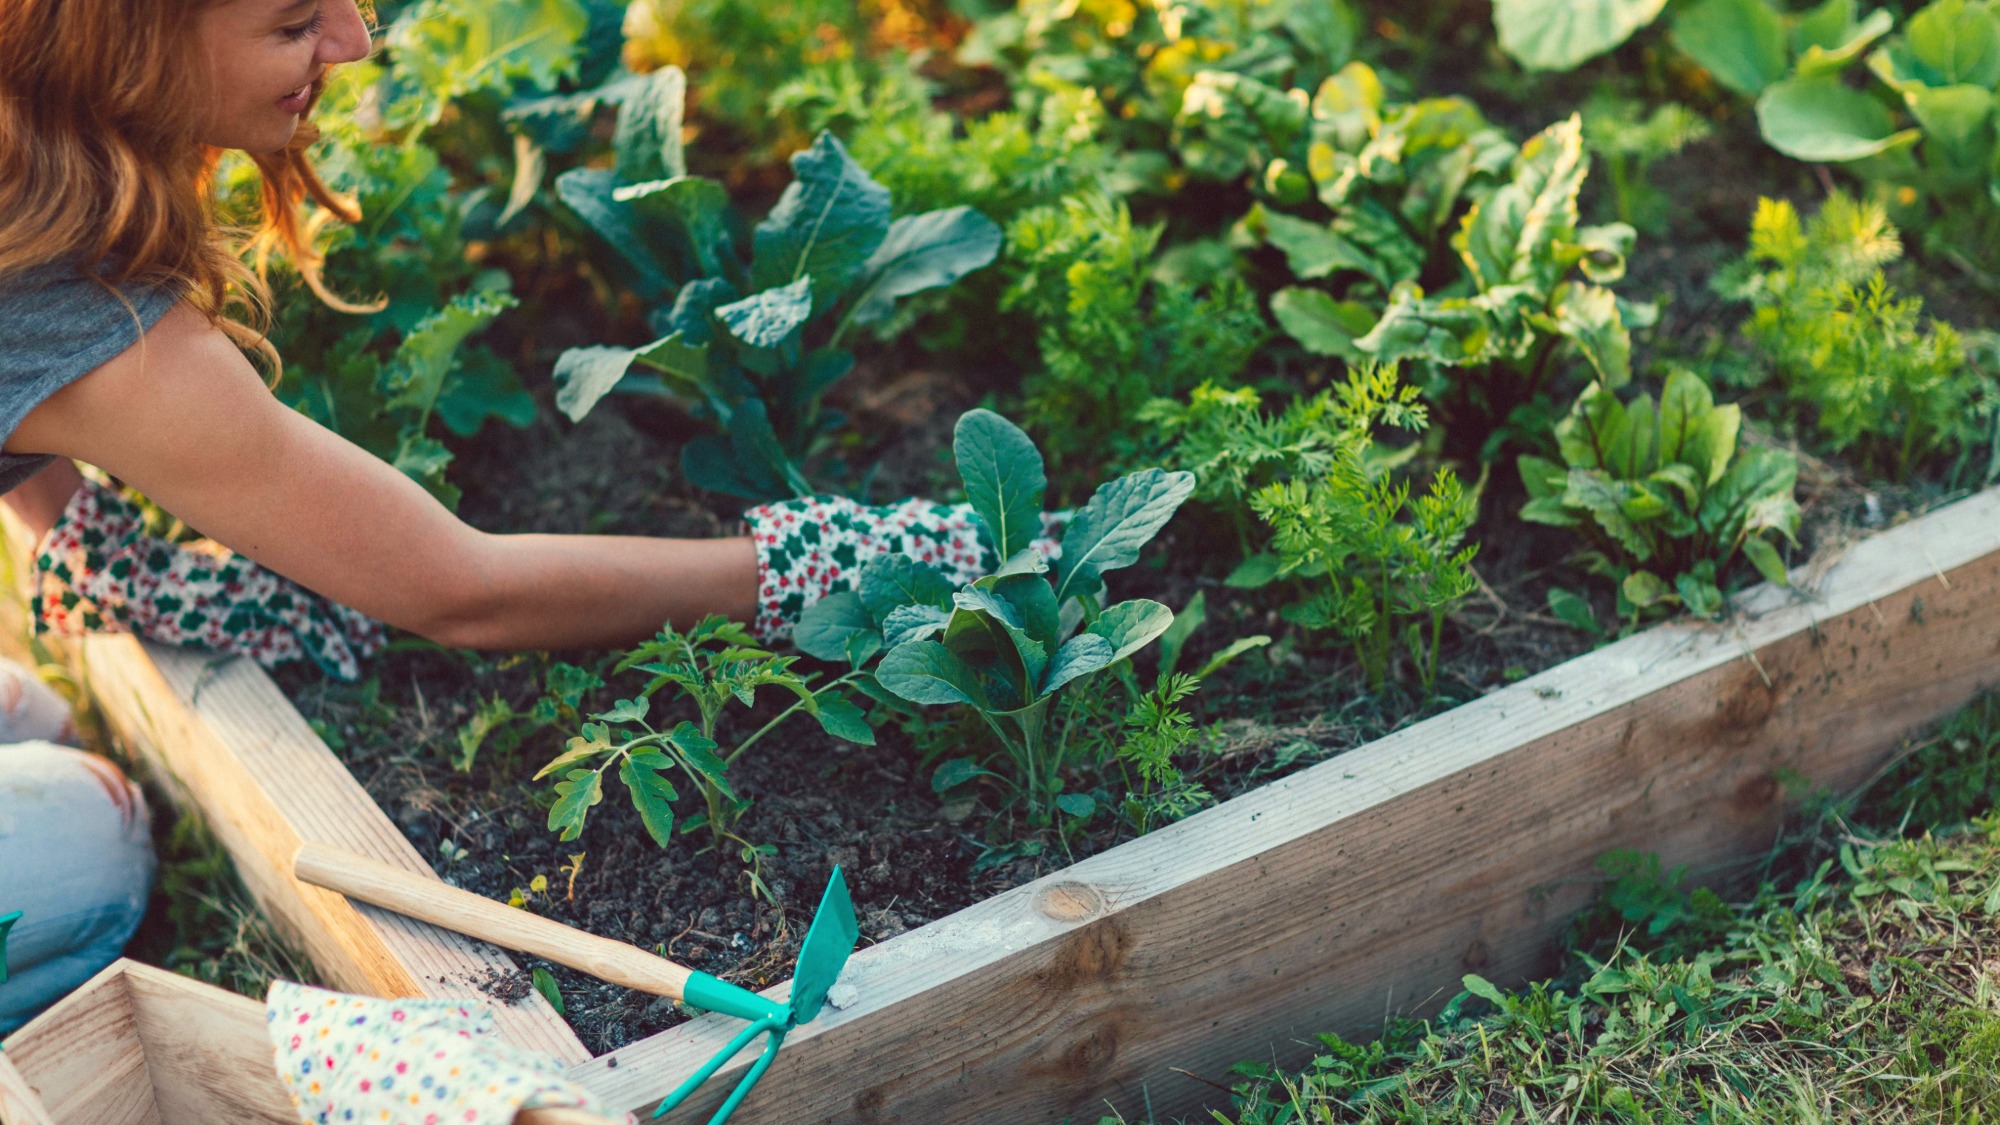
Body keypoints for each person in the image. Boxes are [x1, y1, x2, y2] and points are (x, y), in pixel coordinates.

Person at [0, 0, 1029, 1027]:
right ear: (123, 50)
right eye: (293, 23)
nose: (357, 42)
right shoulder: (93, 330)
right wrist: (826, 561)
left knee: (36, 722)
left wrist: (74, 536)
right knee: (100, 838)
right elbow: (463, 591)